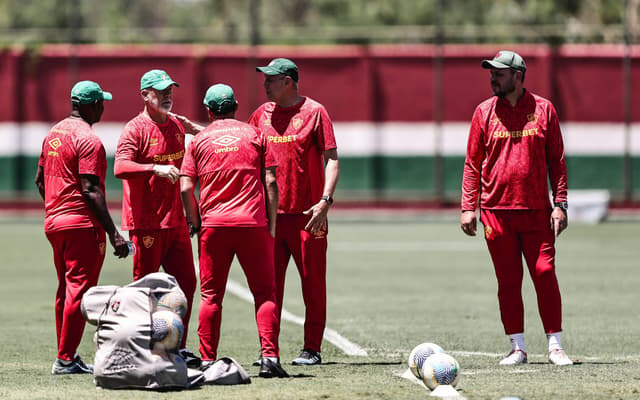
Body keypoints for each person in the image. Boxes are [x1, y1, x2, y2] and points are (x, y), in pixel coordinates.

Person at [460, 50, 573, 366]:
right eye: (491, 72)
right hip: (495, 212)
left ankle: (555, 345)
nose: (492, 77)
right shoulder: (483, 112)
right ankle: (518, 347)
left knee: (544, 272)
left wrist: (560, 204)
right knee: (508, 282)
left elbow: (557, 162)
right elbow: (472, 163)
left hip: (537, 210)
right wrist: (469, 207)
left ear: (518, 75)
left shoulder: (544, 110)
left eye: (499, 72)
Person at [180, 84, 288, 378]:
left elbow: (186, 186)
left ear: (208, 110)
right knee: (265, 293)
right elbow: (271, 182)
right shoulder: (255, 135)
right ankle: (269, 358)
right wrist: (271, 224)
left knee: (211, 297)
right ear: (236, 106)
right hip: (253, 225)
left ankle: (206, 360)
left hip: (214, 226)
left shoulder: (199, 140)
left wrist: (195, 220)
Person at [35, 81, 129, 374]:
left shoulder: (54, 133)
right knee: (79, 291)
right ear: (89, 105)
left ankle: (68, 354)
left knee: (65, 289)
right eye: (100, 102)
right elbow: (90, 189)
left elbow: (40, 180)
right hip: (80, 224)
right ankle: (65, 359)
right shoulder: (89, 139)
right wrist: (114, 234)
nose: (103, 106)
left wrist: (56, 208)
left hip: (55, 223)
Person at [250, 58, 339, 365]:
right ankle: (268, 351)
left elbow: (333, 159)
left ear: (288, 81)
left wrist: (325, 201)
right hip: (271, 219)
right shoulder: (259, 115)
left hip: (308, 217)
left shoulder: (315, 112)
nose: (264, 84)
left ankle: (311, 348)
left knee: (313, 285)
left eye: (270, 79)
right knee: (268, 286)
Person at [114, 69, 199, 366]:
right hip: (146, 223)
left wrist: (197, 128)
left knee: (187, 283)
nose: (167, 95)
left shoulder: (177, 124)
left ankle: (177, 345)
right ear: (144, 95)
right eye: (160, 91)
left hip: (174, 222)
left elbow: (206, 139)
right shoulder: (135, 128)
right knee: (144, 290)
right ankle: (141, 349)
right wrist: (153, 168)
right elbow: (120, 166)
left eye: (169, 90)